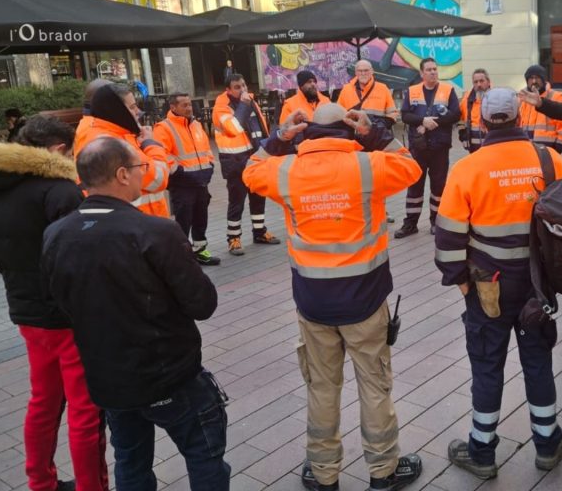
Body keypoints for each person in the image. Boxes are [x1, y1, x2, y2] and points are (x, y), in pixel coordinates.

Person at [242, 105, 424, 491]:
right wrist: (372, 133)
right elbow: (411, 167)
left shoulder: (285, 170)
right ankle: (383, 472)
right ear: (348, 128)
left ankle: (324, 476)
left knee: (322, 389)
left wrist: (279, 137)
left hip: (313, 303)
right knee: (374, 385)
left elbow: (250, 171)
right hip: (365, 301)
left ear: (306, 132)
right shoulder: (368, 166)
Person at [41, 137, 229, 490]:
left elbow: (58, 306)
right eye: (142, 168)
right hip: (170, 376)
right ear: (123, 174)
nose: (146, 175)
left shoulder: (56, 235)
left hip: (109, 380)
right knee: (204, 455)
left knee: (130, 461)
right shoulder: (155, 231)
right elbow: (202, 304)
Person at [0, 116, 107, 491]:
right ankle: (93, 485)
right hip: (69, 314)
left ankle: (41, 481)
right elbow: (82, 252)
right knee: (85, 409)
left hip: (26, 311)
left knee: (43, 401)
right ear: (57, 150)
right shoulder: (58, 190)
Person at [435, 88, 562, 479]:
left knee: (487, 366)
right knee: (537, 360)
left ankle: (481, 451)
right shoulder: (550, 161)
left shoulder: (468, 169)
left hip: (487, 287)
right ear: (521, 119)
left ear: (481, 123)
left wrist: (461, 284)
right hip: (537, 286)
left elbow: (447, 241)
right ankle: (547, 443)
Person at [74, 83, 171, 217]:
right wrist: (150, 143)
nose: (138, 111)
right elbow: (158, 179)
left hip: (134, 221)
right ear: (116, 111)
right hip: (135, 223)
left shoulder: (110, 132)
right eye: (132, 107)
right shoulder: (112, 142)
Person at [212, 73, 281, 256]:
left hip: (255, 158)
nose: (242, 89)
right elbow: (234, 128)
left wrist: (267, 149)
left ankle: (259, 232)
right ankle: (233, 238)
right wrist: (243, 104)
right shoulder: (221, 108)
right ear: (227, 90)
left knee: (258, 196)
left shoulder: (251, 101)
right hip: (235, 161)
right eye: (237, 87)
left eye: (243, 85)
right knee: (237, 202)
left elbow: (262, 127)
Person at [153, 92, 221, 266]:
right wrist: (179, 171)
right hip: (182, 184)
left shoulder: (196, 125)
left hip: (200, 182)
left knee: (201, 218)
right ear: (173, 107)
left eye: (190, 104)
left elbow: (206, 149)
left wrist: (210, 166)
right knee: (183, 221)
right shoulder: (164, 127)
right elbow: (163, 154)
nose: (189, 108)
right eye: (184, 105)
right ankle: (182, 257)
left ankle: (200, 251)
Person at [396, 57, 460, 238]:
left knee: (438, 186)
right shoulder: (413, 91)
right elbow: (405, 115)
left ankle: (436, 222)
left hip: (440, 146)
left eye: (435, 69)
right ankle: (410, 224)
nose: (433, 72)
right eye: (429, 70)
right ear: (421, 73)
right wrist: (422, 120)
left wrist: (434, 123)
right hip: (419, 147)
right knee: (415, 184)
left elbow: (456, 114)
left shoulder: (448, 90)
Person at [519, 65, 562, 153]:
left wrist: (558, 147)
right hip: (527, 151)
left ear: (543, 80)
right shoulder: (523, 99)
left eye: (537, 78)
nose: (534, 81)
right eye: (531, 78)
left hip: (549, 150)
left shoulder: (556, 96)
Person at [338, 59, 399, 124]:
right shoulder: (346, 89)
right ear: (355, 72)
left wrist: (382, 124)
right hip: (352, 131)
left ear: (372, 71)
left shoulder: (383, 88)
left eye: (366, 70)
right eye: (360, 71)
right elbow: (338, 114)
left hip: (376, 132)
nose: (363, 73)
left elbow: (393, 113)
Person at [457, 68, 492, 153]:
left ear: (488, 82)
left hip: (491, 146)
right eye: (475, 82)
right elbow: (460, 120)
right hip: (473, 148)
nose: (479, 84)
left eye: (481, 81)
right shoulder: (466, 99)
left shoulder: (495, 98)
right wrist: (463, 138)